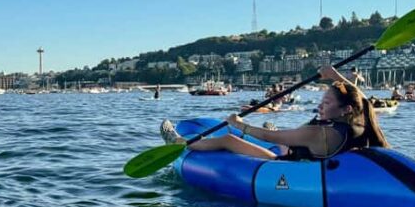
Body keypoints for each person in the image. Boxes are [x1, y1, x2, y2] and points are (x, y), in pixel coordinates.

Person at [161, 66, 389, 161]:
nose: (321, 106)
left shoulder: (319, 133)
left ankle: (182, 143)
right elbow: (362, 100)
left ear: (345, 109)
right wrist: (336, 76)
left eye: (326, 102)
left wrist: (239, 124)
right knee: (288, 137)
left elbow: (269, 138)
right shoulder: (361, 121)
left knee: (229, 139)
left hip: (290, 168)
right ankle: (278, 131)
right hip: (311, 156)